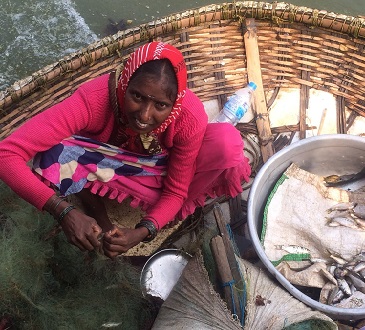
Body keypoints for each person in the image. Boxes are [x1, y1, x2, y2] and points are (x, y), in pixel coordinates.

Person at [0, 42, 251, 258]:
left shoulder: (189, 116)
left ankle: (159, 216)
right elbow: (6, 154)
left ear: (175, 103)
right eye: (137, 96)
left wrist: (142, 232)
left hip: (158, 165)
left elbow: (175, 192)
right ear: (125, 81)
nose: (144, 115)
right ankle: (96, 210)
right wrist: (63, 211)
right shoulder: (94, 99)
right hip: (104, 157)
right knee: (53, 151)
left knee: (226, 142)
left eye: (160, 105)